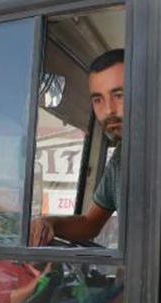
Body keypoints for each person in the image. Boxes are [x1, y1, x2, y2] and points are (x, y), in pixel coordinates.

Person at [30, 49, 125, 246]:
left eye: (119, 95)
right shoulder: (121, 158)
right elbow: (91, 224)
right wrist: (50, 223)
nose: (108, 110)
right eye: (98, 99)